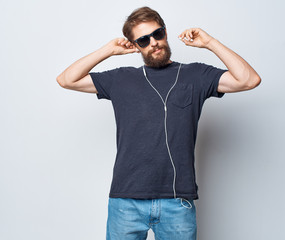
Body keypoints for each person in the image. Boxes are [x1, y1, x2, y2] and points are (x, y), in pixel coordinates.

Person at [56, 6, 261, 240]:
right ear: (135, 46)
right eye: (143, 40)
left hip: (177, 203)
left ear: (165, 32)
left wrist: (210, 42)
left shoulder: (195, 75)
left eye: (158, 33)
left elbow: (249, 80)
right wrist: (107, 51)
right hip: (126, 201)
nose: (153, 42)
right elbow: (66, 79)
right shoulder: (122, 79)